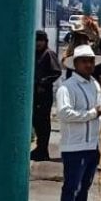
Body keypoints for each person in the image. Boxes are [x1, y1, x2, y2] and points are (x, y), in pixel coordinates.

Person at [55, 44, 101, 201]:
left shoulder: (94, 84)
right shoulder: (67, 87)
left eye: (91, 61)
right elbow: (64, 113)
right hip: (75, 145)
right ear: (76, 64)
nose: (89, 65)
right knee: (71, 187)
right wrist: (93, 113)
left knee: (85, 186)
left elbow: (98, 107)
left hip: (91, 144)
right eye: (84, 61)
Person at [32, 30, 61, 162]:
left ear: (45, 42)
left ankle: (43, 150)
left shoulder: (48, 54)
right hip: (35, 93)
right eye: (36, 40)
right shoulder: (34, 54)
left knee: (43, 122)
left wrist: (44, 82)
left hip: (44, 94)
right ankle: (39, 148)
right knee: (36, 122)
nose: (38, 43)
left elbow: (56, 72)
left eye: (41, 40)